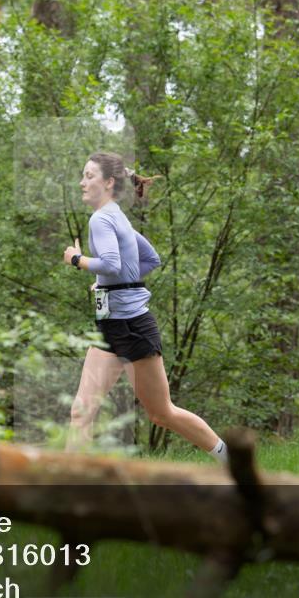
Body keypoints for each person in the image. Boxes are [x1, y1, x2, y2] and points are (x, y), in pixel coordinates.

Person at [62, 152, 228, 464]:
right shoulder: (116, 215)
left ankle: (229, 459)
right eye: (82, 176)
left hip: (133, 328)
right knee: (82, 410)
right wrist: (112, 285)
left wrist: (76, 259)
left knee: (162, 413)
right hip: (111, 327)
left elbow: (111, 263)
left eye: (89, 176)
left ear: (109, 182)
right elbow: (149, 259)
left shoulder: (101, 219)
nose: (82, 182)